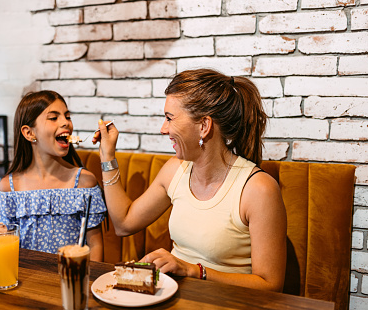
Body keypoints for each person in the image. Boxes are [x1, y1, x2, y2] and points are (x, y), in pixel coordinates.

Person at [93, 68, 287, 291]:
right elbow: (124, 223)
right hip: (173, 298)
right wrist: (107, 156)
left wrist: (194, 271)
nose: (163, 129)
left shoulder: (258, 189)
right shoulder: (175, 170)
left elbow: (271, 286)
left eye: (169, 118)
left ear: (204, 126)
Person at [0, 90, 106, 261]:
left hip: (70, 282)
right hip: (26, 282)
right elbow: (4, 242)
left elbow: (95, 246)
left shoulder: (85, 183)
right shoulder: (9, 188)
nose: (65, 123)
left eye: (67, 116)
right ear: (29, 133)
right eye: (53, 118)